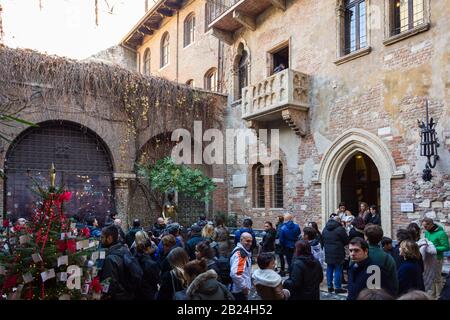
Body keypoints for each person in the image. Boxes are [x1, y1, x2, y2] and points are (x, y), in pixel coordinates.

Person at [99, 225, 136, 300]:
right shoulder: (124, 249)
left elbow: (109, 283)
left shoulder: (110, 259)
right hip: (128, 293)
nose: (100, 240)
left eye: (102, 237)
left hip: (118, 296)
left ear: (109, 238)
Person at [364, 224, 398, 296]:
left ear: (366, 237)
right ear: (381, 238)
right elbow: (394, 281)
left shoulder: (358, 255)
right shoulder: (388, 257)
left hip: (362, 294)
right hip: (382, 294)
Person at [422, 217, 450, 298]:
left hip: (437, 258)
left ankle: (439, 296)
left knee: (437, 278)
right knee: (430, 276)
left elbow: (447, 247)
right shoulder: (427, 232)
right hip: (428, 257)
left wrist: (434, 249)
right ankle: (432, 294)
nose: (424, 228)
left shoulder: (441, 233)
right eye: (423, 226)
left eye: (426, 226)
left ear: (431, 224)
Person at [407, 222, 438, 295]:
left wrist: (423, 245)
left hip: (421, 267)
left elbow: (433, 251)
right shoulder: (407, 243)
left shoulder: (424, 241)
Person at [322, 214, 349, 294]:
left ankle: (329, 286)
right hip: (338, 252)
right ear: (339, 221)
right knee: (338, 269)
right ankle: (337, 287)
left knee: (329, 268)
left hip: (328, 251)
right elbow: (346, 241)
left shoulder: (325, 228)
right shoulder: (340, 229)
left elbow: (322, 238)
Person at [230, 232, 253, 300]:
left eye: (251, 241)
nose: (250, 243)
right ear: (241, 240)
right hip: (239, 291)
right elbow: (235, 274)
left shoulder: (242, 251)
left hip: (238, 289)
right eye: (247, 241)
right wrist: (244, 287)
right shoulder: (241, 254)